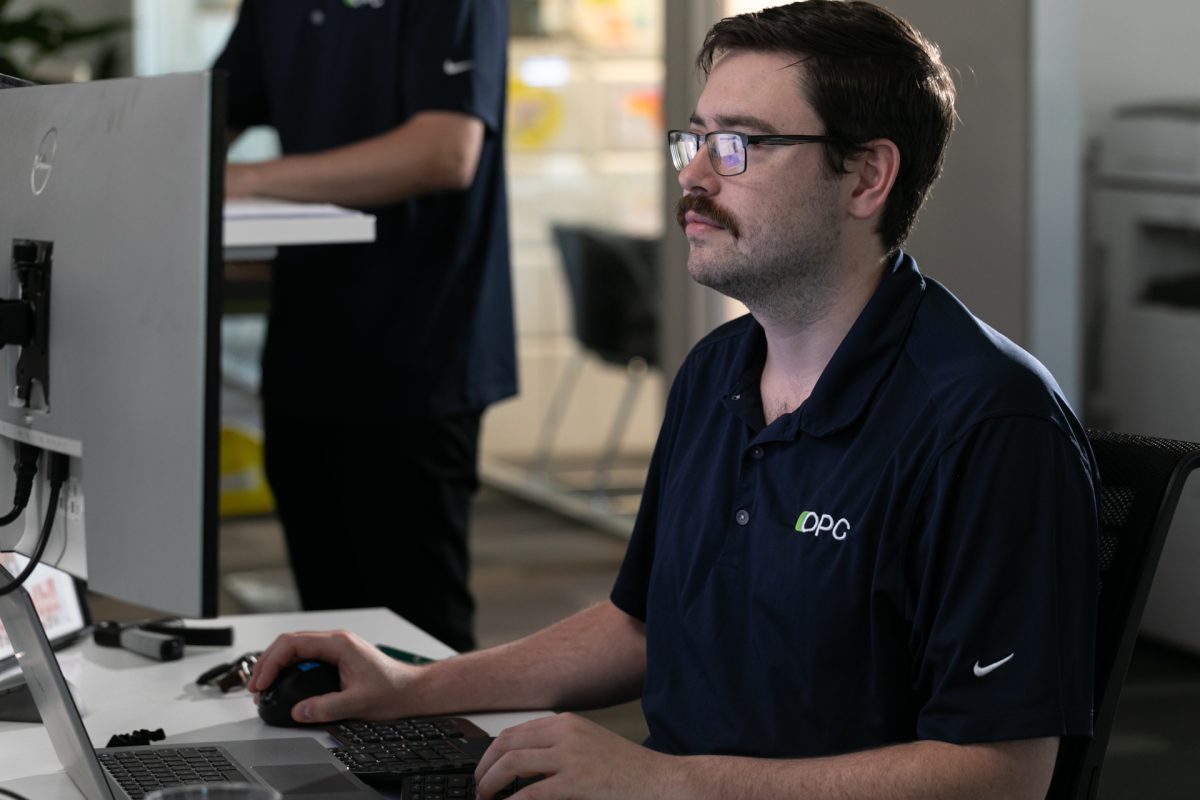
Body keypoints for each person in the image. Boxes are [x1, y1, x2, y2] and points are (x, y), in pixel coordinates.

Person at [247, 2, 1100, 797]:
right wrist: (410, 687)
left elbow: (1003, 771)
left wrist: (674, 784)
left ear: (867, 176)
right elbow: (644, 628)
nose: (693, 175)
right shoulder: (718, 370)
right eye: (693, 139)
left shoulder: (988, 420)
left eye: (740, 145)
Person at [214, 0, 515, 652]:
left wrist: (250, 179)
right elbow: (211, 113)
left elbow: (446, 150)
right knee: (329, 632)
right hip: (306, 347)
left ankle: (436, 759)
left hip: (418, 348)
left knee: (415, 641)